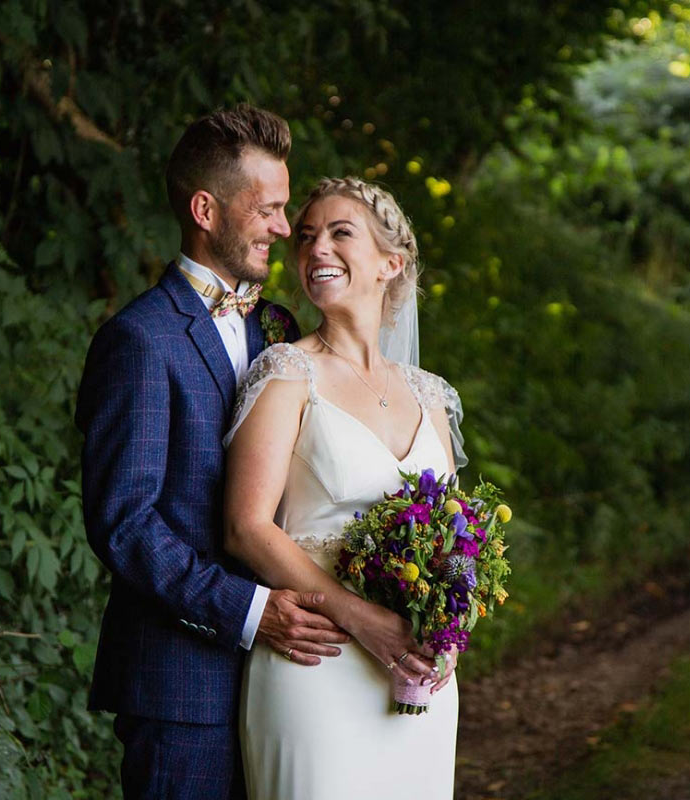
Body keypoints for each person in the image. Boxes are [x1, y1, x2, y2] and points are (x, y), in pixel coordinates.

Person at [74, 106, 350, 800]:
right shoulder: (139, 340)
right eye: (269, 209)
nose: (286, 230)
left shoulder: (280, 330)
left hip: (291, 687)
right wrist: (251, 611)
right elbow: (125, 525)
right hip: (181, 688)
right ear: (206, 208)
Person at [223, 177, 467, 798]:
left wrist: (448, 628)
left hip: (416, 675)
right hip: (318, 661)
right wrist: (363, 621)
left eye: (339, 233)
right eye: (305, 238)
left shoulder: (430, 394)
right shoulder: (286, 373)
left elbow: (453, 538)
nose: (315, 250)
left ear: (391, 262)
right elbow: (246, 528)